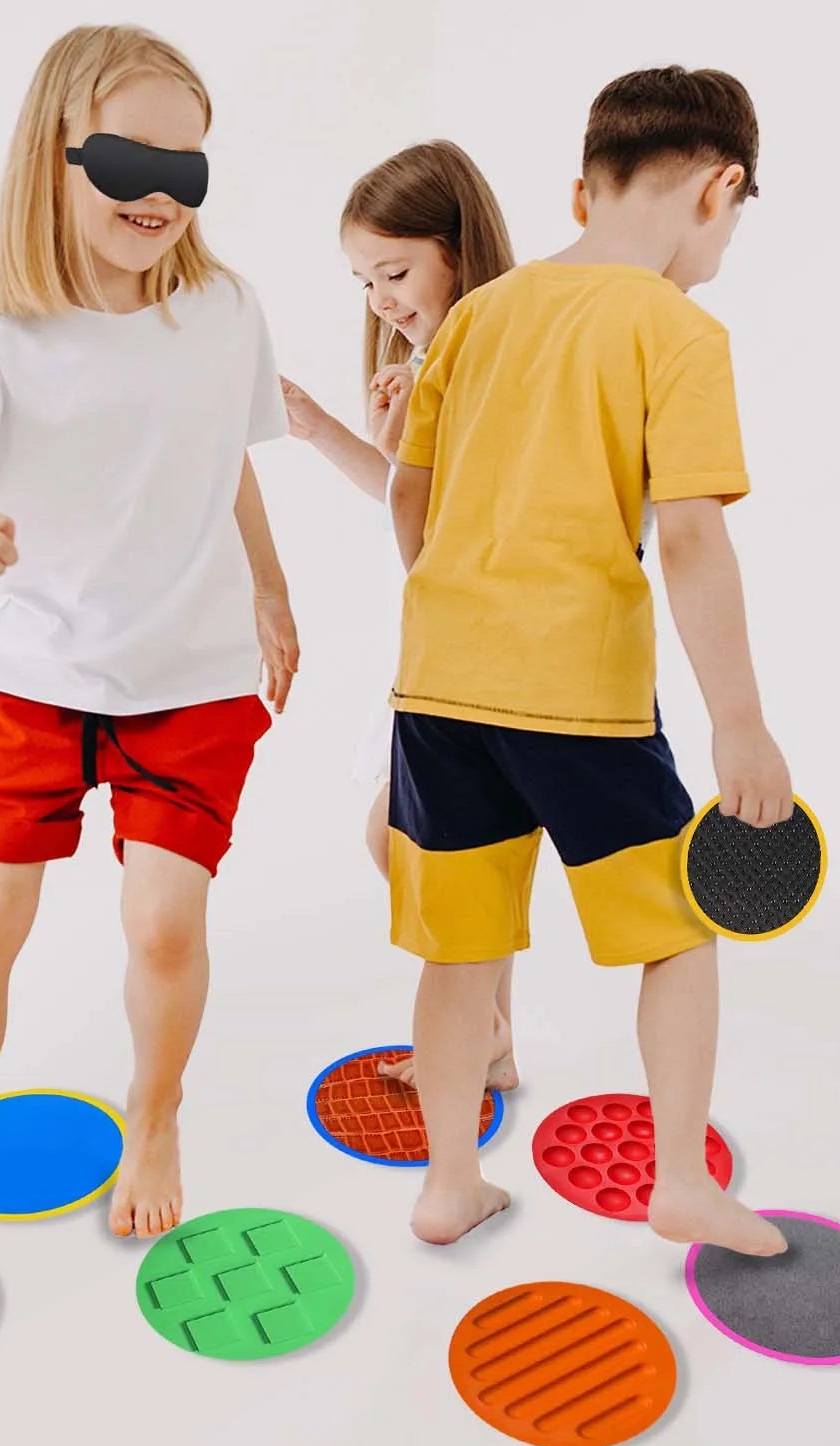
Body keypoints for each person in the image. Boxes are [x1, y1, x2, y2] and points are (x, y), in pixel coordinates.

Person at [0, 24, 297, 1276]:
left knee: (164, 923)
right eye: (123, 158)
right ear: (52, 155)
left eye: (190, 167)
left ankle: (154, 1117)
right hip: (36, 677)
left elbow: (229, 466)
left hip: (192, 671)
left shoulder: (224, 310)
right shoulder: (2, 340)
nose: (160, 191)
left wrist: (272, 591)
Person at [387, 67, 795, 1253]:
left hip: (439, 683)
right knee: (676, 928)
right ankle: (680, 1179)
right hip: (580, 694)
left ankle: (448, 1185)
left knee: (460, 944)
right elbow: (692, 534)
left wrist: (458, 593)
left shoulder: (478, 314)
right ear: (720, 190)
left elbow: (412, 496)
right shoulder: (676, 330)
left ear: (583, 187)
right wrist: (740, 723)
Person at [281, 142, 518, 1090]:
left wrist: (414, 445)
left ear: (458, 251)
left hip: (478, 646)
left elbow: (462, 528)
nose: (379, 298)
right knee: (437, 849)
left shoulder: (493, 363)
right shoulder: (432, 359)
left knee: (411, 841)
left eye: (395, 271)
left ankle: (483, 1033)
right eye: (363, 280)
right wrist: (332, 431)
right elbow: (406, 511)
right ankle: (491, 1039)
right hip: (433, 642)